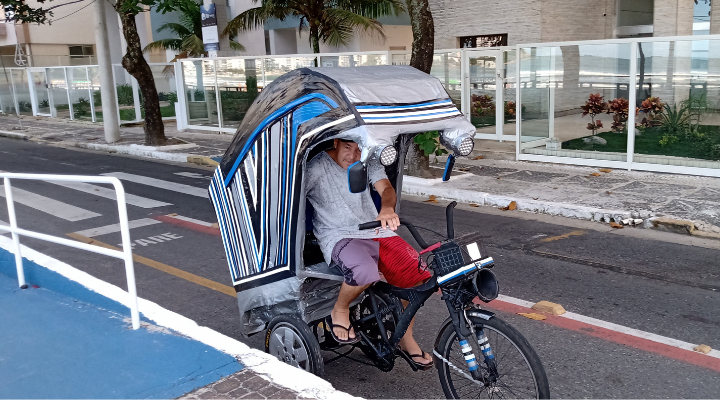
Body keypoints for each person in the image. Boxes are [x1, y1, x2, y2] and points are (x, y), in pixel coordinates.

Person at [305, 138, 433, 370]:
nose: (354, 156)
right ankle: (340, 309)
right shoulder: (316, 168)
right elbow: (288, 197)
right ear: (336, 142)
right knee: (364, 272)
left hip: (375, 231)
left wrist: (386, 208)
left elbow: (386, 188)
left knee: (418, 275)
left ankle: (405, 336)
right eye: (347, 148)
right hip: (338, 234)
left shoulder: (368, 159)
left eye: (359, 150)